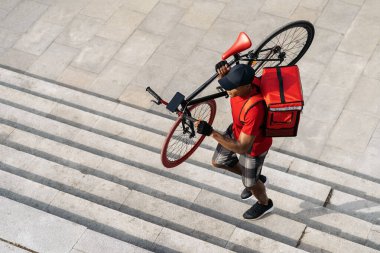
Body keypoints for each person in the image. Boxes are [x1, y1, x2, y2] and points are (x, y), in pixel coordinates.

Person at [195, 62, 273, 220]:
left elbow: (242, 148)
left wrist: (211, 132)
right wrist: (224, 76)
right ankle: (255, 178)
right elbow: (232, 81)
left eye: (231, 87)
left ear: (246, 86)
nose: (227, 90)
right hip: (237, 129)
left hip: (254, 147)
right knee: (218, 161)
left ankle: (265, 204)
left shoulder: (255, 109)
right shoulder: (241, 86)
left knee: (250, 184)